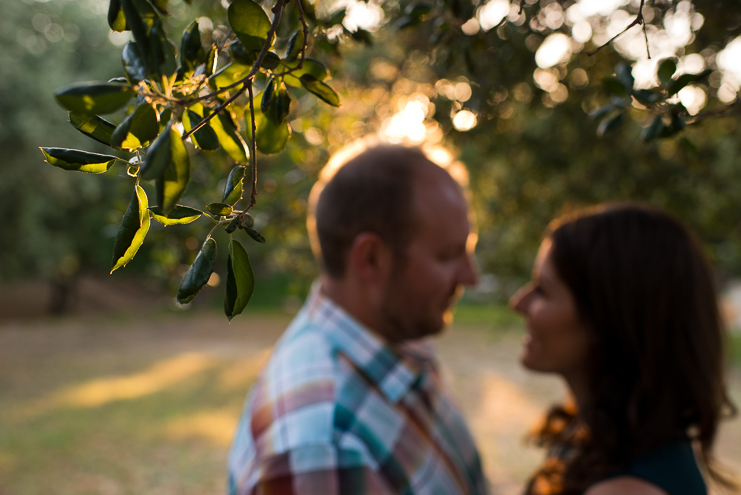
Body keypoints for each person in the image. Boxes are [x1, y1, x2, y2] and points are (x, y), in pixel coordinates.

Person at [227, 141, 487, 495]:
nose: (470, 277)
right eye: (448, 255)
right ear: (372, 259)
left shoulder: (396, 337)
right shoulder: (322, 452)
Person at [509, 203, 739, 495]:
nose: (518, 303)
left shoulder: (627, 488)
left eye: (543, 290)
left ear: (606, 321)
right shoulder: (605, 438)